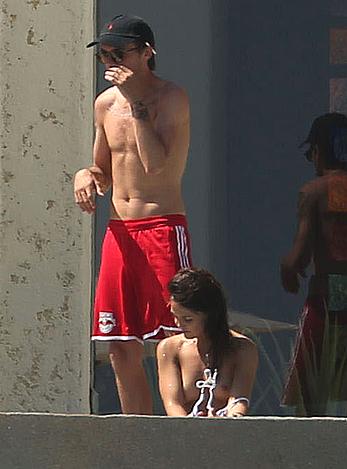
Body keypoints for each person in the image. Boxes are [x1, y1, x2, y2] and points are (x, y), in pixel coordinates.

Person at [74, 14, 192, 415]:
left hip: (160, 225)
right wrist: (83, 176)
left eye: (118, 53)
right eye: (104, 55)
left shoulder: (171, 98)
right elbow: (102, 170)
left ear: (146, 53)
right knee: (119, 345)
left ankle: (178, 427)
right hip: (120, 232)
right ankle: (139, 436)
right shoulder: (104, 104)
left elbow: (157, 165)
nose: (110, 62)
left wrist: (137, 107)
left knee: (175, 338)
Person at [281, 113, 347, 416]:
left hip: (327, 295)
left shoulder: (317, 190)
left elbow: (299, 254)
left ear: (319, 151)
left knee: (311, 389)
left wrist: (289, 269)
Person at [157, 268, 258, 417]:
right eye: (175, 316)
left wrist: (231, 419)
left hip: (227, 432)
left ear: (210, 315)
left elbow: (239, 400)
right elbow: (173, 404)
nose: (179, 324)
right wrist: (190, 432)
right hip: (184, 434)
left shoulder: (243, 349)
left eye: (188, 319)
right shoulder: (170, 349)